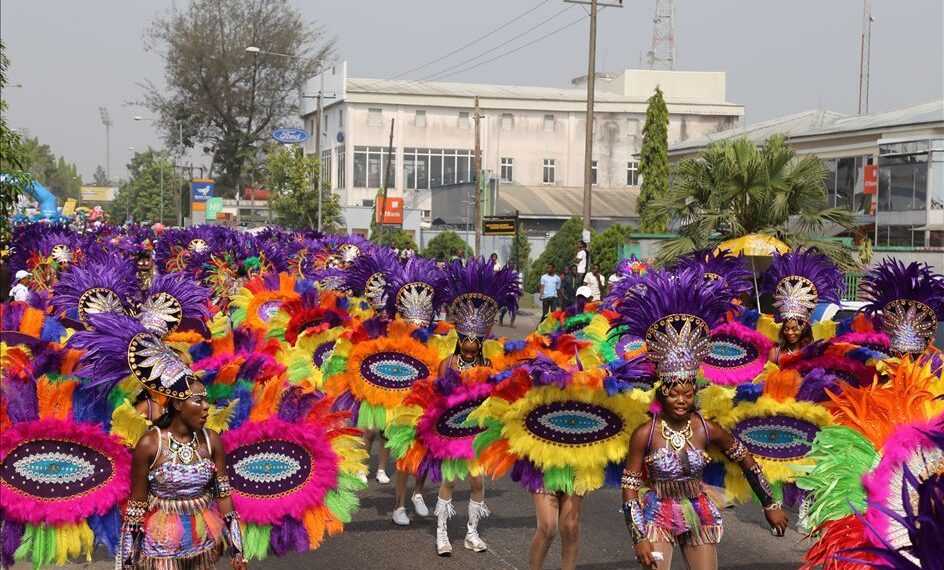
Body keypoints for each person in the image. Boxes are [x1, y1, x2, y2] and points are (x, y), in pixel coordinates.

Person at [615, 268, 788, 570]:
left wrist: (770, 504)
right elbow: (629, 487)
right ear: (661, 393)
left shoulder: (706, 429)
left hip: (699, 510)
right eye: (673, 394)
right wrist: (638, 536)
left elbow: (746, 458)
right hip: (656, 515)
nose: (681, 400)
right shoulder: (646, 433)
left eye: (687, 393)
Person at [430, 257, 519, 556]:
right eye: (465, 337)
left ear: (481, 339)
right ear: (458, 336)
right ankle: (441, 534)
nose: (470, 343)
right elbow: (437, 398)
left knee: (478, 482)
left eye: (475, 339)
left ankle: (471, 532)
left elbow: (494, 398)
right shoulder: (447, 364)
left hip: (477, 432)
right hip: (452, 432)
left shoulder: (490, 364)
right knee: (450, 480)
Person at [761, 249, 844, 365]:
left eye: (794, 329)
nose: (790, 333)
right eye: (786, 328)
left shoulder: (814, 351)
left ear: (804, 327)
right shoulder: (775, 351)